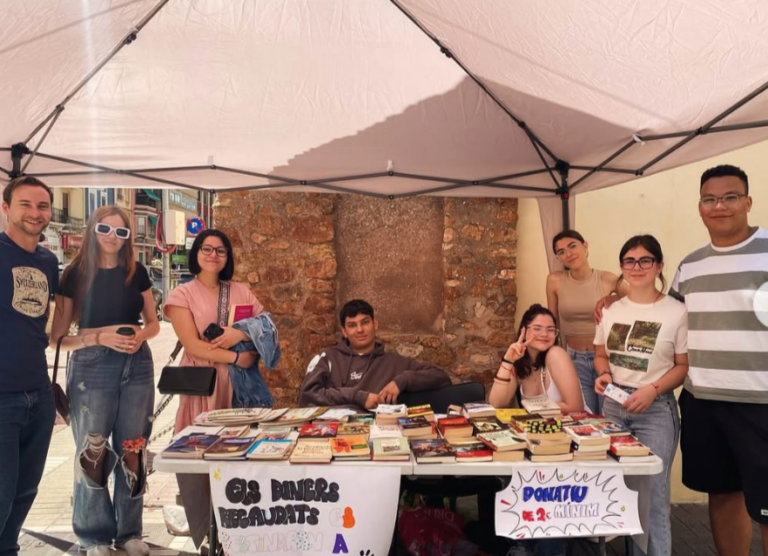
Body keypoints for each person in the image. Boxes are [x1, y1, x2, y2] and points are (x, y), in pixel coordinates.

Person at [50, 206, 160, 556]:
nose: (113, 237)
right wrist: (98, 337)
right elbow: (56, 338)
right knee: (93, 452)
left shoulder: (136, 271)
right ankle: (94, 536)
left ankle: (130, 531)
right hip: (91, 366)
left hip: (137, 364)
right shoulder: (74, 274)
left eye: (121, 232)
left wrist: (140, 337)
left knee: (134, 450)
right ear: (92, 230)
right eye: (105, 229)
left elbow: (153, 324)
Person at [671, 165, 767, 556]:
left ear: (747, 201)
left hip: (761, 403)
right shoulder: (689, 265)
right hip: (704, 401)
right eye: (710, 199)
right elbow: (667, 320)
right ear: (699, 208)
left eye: (729, 197)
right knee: (723, 493)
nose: (719, 206)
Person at [164, 229, 261, 548]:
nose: (213, 255)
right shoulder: (182, 295)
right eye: (206, 249)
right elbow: (194, 346)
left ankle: (239, 532)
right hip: (204, 387)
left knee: (239, 459)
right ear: (196, 253)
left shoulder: (242, 290)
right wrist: (236, 354)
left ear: (228, 257)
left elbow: (265, 328)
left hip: (238, 387)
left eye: (220, 251)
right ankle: (208, 534)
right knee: (201, 463)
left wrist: (240, 336)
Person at [593, 235, 688, 556]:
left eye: (645, 260)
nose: (637, 267)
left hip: (656, 409)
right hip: (613, 408)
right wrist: (604, 374)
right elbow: (600, 355)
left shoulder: (677, 311)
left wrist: (653, 389)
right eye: (629, 261)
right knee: (613, 490)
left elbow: (682, 366)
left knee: (654, 497)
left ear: (659, 266)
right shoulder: (611, 310)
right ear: (621, 268)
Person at [0, 176, 58, 556]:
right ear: (6, 207)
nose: (35, 213)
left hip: (38, 392)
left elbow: (45, 325)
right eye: (25, 204)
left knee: (25, 490)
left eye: (42, 206)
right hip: (1, 396)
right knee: (2, 490)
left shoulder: (49, 261)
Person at [299, 299, 451, 408]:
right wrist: (358, 397)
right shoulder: (328, 358)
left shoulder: (394, 363)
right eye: (352, 325)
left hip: (380, 436)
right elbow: (308, 396)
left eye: (365, 322)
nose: (360, 330)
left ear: (375, 324)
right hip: (334, 437)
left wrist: (402, 380)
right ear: (344, 332)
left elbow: (441, 377)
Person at [546, 230, 627, 413]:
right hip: (573, 360)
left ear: (585, 246)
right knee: (584, 414)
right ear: (559, 258)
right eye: (561, 252)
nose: (569, 253)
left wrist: (613, 299)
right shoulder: (555, 281)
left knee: (609, 414)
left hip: (606, 360)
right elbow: (552, 323)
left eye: (572, 246)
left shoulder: (607, 279)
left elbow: (638, 300)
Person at [489, 304, 585, 414]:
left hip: (573, 427)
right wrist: (508, 361)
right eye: (537, 328)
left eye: (550, 329)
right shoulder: (520, 363)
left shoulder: (556, 354)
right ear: (523, 332)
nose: (544, 334)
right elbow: (496, 404)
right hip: (541, 429)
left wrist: (529, 409)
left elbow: (576, 408)